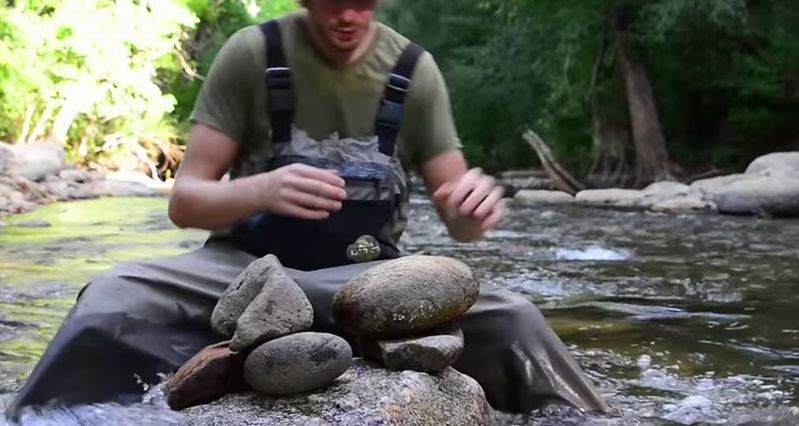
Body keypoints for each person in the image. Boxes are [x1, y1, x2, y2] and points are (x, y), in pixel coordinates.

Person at [6, 0, 610, 419]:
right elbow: (186, 201)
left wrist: (471, 212)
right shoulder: (251, 54)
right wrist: (260, 190)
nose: (348, 15)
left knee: (519, 322)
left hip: (372, 283)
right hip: (240, 275)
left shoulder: (414, 70)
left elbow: (458, 215)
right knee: (110, 299)